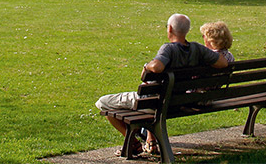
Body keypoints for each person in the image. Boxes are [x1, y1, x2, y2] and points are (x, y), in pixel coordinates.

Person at [95, 14, 229, 156]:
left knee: (103, 103)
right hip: (178, 102)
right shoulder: (197, 49)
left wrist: (147, 66)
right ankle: (145, 140)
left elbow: (157, 67)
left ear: (170, 29)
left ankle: (134, 144)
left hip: (154, 103)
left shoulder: (168, 49)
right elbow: (223, 63)